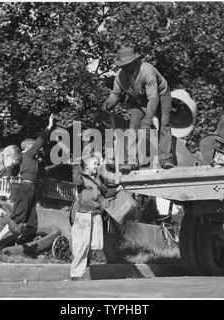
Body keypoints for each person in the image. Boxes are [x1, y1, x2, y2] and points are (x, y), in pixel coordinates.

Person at [102, 45, 174, 173]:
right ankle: (131, 162)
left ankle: (166, 159)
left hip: (161, 95)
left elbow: (153, 99)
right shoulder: (120, 76)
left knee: (164, 123)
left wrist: (147, 121)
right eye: (122, 65)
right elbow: (116, 93)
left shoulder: (147, 71)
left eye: (128, 64)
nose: (125, 67)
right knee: (133, 124)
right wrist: (109, 102)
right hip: (140, 98)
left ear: (135, 62)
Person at [0, 114, 55, 246]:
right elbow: (40, 140)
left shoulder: (26, 160)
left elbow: (10, 174)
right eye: (35, 148)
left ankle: (26, 243)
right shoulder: (28, 154)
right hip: (25, 188)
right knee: (18, 218)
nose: (39, 150)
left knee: (32, 220)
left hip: (27, 189)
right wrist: (49, 126)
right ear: (27, 148)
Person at [70, 156, 104, 281]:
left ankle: (86, 260)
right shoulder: (81, 177)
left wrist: (117, 189)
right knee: (81, 245)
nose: (96, 166)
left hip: (96, 215)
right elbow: (77, 182)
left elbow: (105, 192)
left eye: (98, 164)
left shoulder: (97, 179)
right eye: (94, 163)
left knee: (96, 245)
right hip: (84, 214)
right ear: (87, 165)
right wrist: (76, 166)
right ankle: (76, 274)